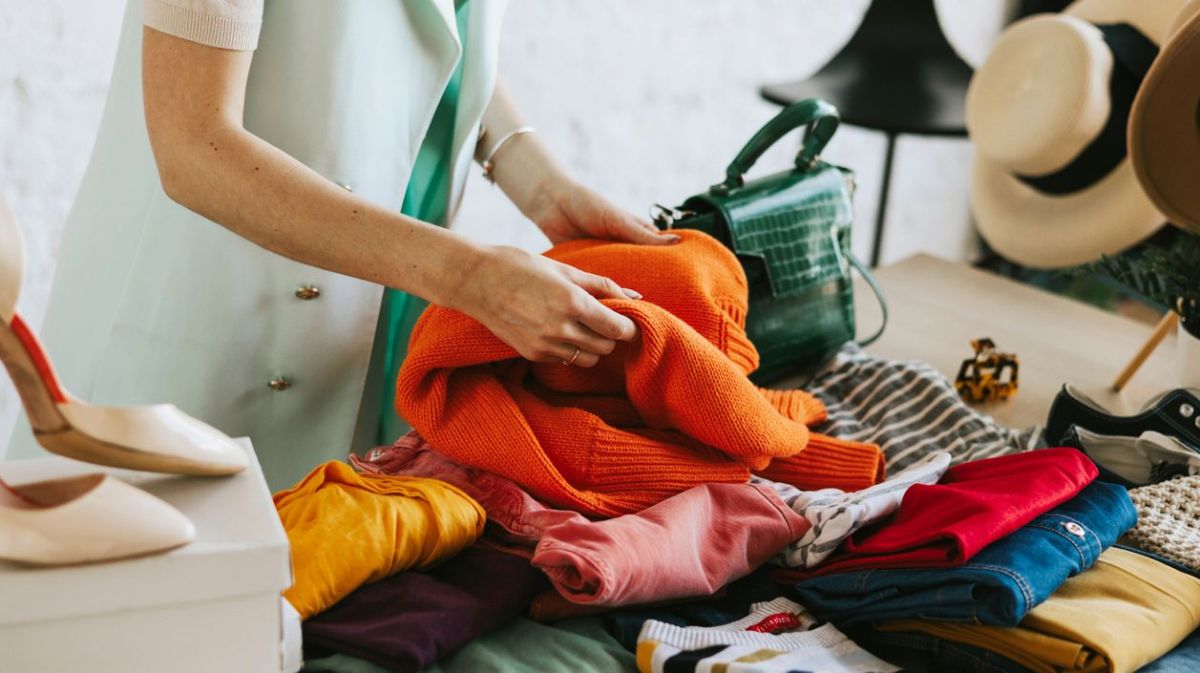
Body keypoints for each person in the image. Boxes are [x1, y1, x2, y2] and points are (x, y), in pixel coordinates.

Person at [7, 0, 679, 489]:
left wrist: (538, 181)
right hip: (206, 339)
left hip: (383, 311)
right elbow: (194, 145)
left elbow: (439, 28)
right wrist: (469, 276)